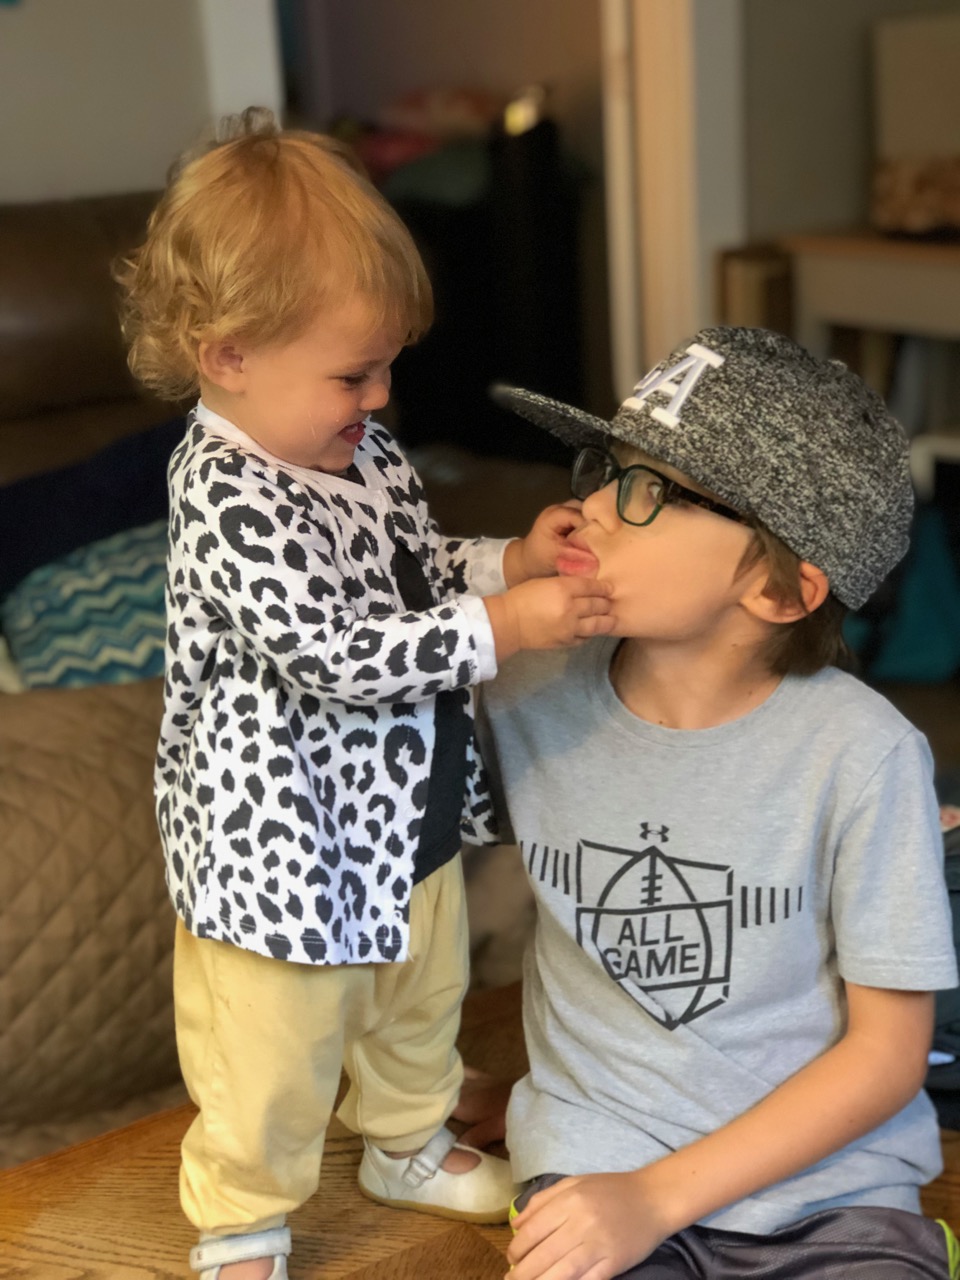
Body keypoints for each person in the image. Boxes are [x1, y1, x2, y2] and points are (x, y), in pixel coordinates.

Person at [113, 107, 613, 1280]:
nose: (380, 396)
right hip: (281, 843)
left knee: (417, 994)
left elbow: (412, 572)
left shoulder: (360, 451)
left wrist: (511, 564)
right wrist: (505, 628)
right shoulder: (225, 494)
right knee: (273, 1045)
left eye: (387, 365)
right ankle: (242, 1218)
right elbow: (332, 650)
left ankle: (405, 1137)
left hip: (400, 809)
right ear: (228, 356)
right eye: (353, 372)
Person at [470, 326, 960, 1279]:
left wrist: (660, 1197)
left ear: (780, 589)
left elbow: (888, 1057)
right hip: (597, 1168)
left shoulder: (867, 757)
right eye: (605, 471)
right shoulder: (525, 685)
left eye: (649, 491)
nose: (591, 507)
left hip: (834, 1195)